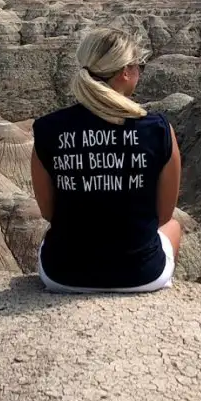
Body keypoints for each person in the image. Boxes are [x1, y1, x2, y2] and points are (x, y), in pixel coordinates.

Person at [30, 27, 183, 293]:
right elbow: (163, 215)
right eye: (139, 66)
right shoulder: (157, 129)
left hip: (62, 275)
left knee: (50, 237)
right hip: (143, 275)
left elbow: (48, 212)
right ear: (125, 72)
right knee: (175, 226)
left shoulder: (47, 129)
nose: (140, 72)